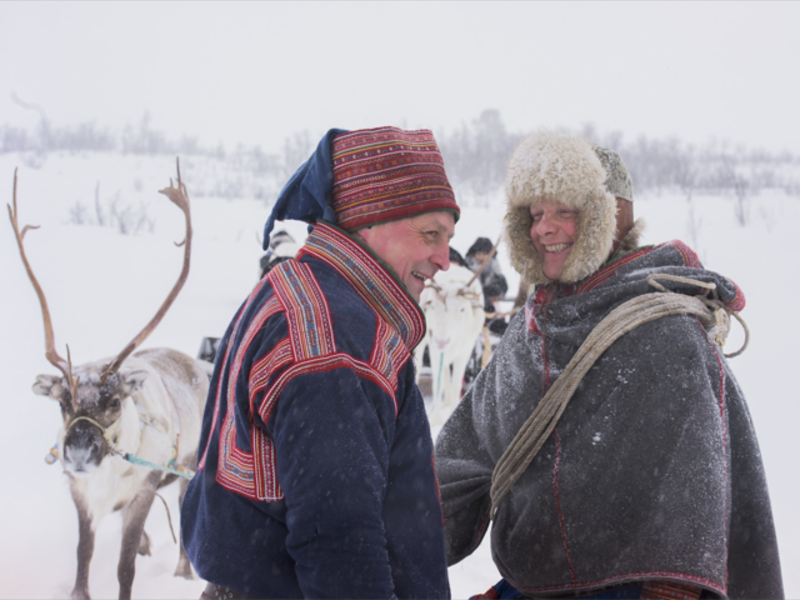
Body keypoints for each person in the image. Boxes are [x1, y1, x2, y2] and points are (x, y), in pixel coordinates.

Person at [434, 130, 783, 600]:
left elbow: (691, 507)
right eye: (536, 214)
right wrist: (394, 536)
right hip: (535, 584)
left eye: (565, 212)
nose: (543, 228)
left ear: (608, 218)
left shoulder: (663, 332)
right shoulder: (531, 331)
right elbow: (463, 456)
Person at [181, 126, 460, 600]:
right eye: (430, 233)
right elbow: (340, 544)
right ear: (367, 220)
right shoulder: (335, 339)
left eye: (448, 238)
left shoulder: (302, 288)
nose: (444, 258)